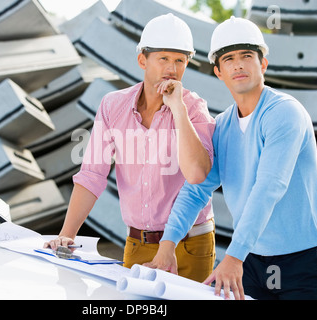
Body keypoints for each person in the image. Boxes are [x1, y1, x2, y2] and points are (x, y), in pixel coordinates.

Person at [150, 16, 317, 299]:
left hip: (300, 261)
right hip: (250, 259)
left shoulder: (285, 113)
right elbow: (196, 189)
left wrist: (233, 256)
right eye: (228, 59)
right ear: (219, 72)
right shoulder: (223, 126)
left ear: (263, 64)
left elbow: (269, 187)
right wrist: (167, 243)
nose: (237, 64)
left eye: (247, 56)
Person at [44, 13, 216, 282]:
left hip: (190, 244)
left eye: (180, 60)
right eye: (163, 59)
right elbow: (92, 174)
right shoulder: (113, 106)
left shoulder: (195, 109)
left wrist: (178, 109)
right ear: (142, 60)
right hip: (137, 243)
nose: (172, 68)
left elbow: (197, 174)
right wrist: (67, 234)